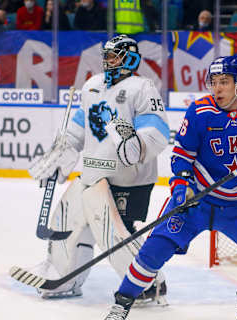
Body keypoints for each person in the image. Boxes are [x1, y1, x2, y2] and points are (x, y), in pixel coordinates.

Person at [103, 55, 237, 320]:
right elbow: (182, 155)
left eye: (224, 81)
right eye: (213, 82)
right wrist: (180, 186)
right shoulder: (200, 112)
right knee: (153, 252)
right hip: (195, 203)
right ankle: (121, 305)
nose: (217, 88)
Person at [26, 34, 170, 304]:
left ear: (129, 58)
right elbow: (78, 128)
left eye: (114, 56)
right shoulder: (92, 85)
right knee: (69, 225)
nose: (108, 61)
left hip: (129, 180)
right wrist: (62, 154)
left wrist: (137, 145)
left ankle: (150, 283)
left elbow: (157, 130)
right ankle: (65, 277)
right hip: (92, 175)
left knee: (115, 235)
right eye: (107, 56)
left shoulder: (142, 87)